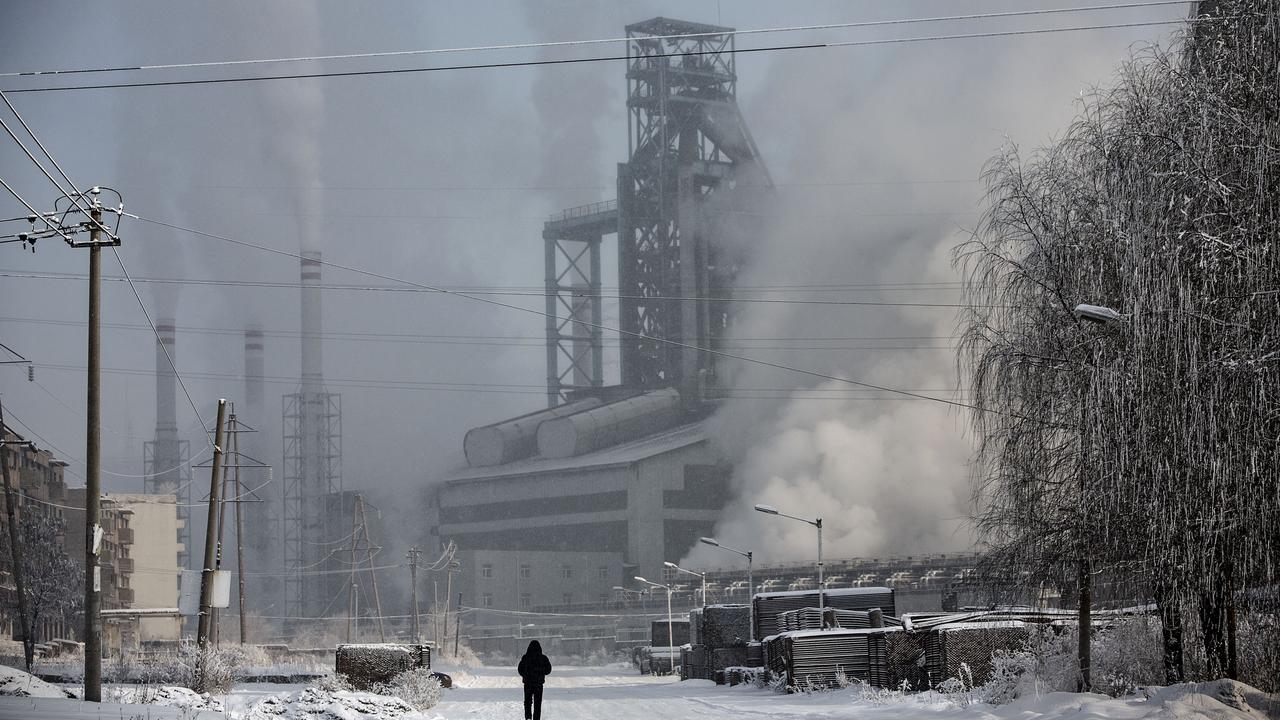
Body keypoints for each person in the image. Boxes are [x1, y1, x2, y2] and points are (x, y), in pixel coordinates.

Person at [517, 639, 552, 720]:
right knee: (537, 703)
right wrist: (540, 673)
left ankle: (528, 717)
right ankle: (536, 718)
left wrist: (526, 675)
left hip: (528, 684)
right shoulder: (543, 658)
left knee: (527, 702)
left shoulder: (525, 657)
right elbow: (548, 670)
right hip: (538, 684)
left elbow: (520, 669)